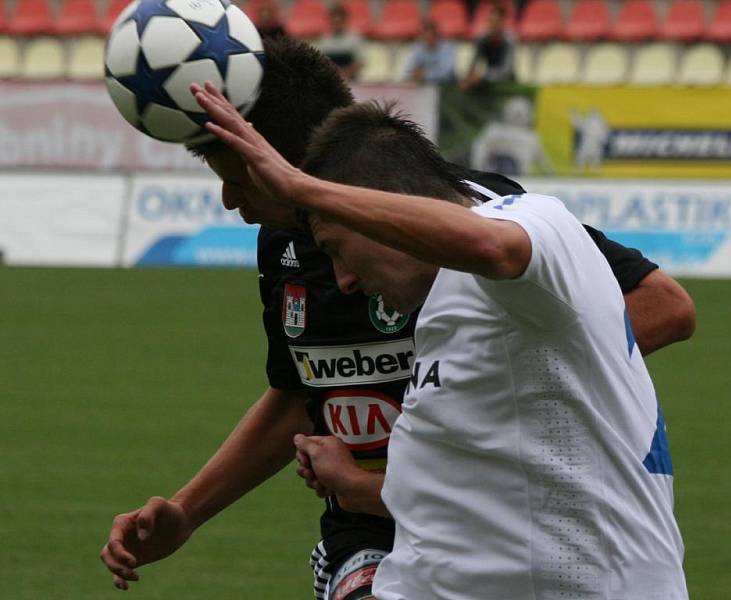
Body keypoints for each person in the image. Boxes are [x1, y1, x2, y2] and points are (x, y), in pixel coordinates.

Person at [100, 39, 695, 599]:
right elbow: (302, 392)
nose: (344, 282)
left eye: (239, 180)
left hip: (538, 542)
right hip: (405, 536)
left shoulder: (483, 219)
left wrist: (512, 383)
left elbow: (645, 301)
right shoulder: (292, 251)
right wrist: (188, 512)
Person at [460, 4, 515, 90]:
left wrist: (483, 76)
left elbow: (506, 71)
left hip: (508, 83)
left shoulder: (509, 40)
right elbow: (473, 63)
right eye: (490, 21)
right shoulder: (482, 39)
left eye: (496, 22)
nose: (492, 25)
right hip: (488, 83)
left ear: (502, 23)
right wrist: (468, 77)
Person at [315, 4, 365, 81]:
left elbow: (359, 63)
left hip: (351, 80)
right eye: (334, 22)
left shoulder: (355, 38)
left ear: (345, 21)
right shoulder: (323, 40)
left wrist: (345, 74)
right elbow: (320, 62)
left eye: (339, 21)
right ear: (330, 21)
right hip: (330, 79)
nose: (337, 25)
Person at [402, 20, 457, 84]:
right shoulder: (418, 47)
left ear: (437, 36)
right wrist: (414, 73)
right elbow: (407, 69)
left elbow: (447, 72)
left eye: (431, 37)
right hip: (424, 86)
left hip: (445, 86)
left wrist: (425, 74)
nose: (429, 40)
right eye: (425, 38)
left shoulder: (447, 47)